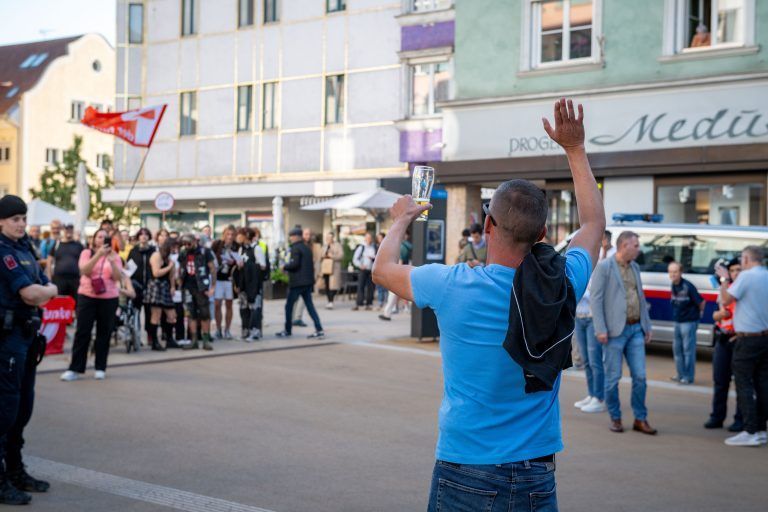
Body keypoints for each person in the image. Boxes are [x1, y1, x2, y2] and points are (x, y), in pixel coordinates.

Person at [373, 99, 604, 512]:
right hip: (535, 472)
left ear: (487, 226)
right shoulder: (562, 282)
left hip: (465, 467)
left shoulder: (450, 284)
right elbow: (592, 225)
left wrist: (402, 217)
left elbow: (383, 269)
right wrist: (575, 149)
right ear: (543, 233)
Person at [0, 195, 58, 505]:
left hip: (27, 336)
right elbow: (31, 292)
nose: (21, 223)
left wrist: (44, 291)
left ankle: (15, 471)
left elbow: (43, 284)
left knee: (22, 409)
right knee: (5, 410)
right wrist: (48, 292)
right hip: (7, 340)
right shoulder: (3, 252)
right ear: (1, 222)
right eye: (15, 219)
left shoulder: (26, 248)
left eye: (23, 218)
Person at [591, 231, 657, 435]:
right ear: (623, 246)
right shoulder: (605, 267)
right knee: (613, 378)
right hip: (613, 332)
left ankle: (640, 418)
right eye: (635, 245)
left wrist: (647, 326)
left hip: (636, 328)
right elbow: (596, 299)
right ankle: (616, 417)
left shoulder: (635, 267)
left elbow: (640, 297)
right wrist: (600, 328)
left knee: (640, 377)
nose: (639, 249)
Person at [716, 246, 768, 447]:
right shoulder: (765, 275)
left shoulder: (746, 277)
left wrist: (723, 280)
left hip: (747, 338)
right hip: (764, 336)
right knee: (763, 383)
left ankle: (750, 430)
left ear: (746, 259)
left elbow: (726, 299)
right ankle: (762, 429)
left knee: (744, 383)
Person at [60, 229, 123, 381]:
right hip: (87, 296)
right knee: (83, 332)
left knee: (104, 332)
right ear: (94, 239)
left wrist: (111, 260)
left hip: (109, 297)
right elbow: (84, 270)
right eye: (99, 237)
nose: (102, 239)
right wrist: (99, 255)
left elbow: (117, 277)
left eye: (105, 237)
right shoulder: (86, 253)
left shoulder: (115, 256)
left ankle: (100, 367)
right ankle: (75, 368)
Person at [705, 257, 743, 431]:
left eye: (738, 270)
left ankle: (740, 419)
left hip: (739, 339)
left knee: (742, 383)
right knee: (720, 381)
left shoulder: (744, 290)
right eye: (732, 270)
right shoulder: (725, 289)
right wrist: (718, 316)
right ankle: (717, 416)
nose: (735, 273)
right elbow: (717, 314)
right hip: (722, 338)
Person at [277, 228, 324, 339]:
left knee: (288, 306)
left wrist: (284, 267)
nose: (291, 238)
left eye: (292, 236)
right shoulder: (307, 248)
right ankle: (319, 329)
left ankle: (287, 330)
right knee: (310, 306)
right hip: (307, 282)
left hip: (297, 283)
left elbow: (295, 264)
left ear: (297, 237)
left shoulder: (296, 248)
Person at [572, 279, 606, 413]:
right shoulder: (580, 270)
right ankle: (592, 394)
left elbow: (595, 296)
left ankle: (599, 398)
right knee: (586, 360)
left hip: (593, 319)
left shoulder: (596, 271)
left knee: (594, 361)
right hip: (579, 318)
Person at [668, 261, 705, 384]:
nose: (673, 274)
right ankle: (680, 374)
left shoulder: (688, 286)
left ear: (681, 272)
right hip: (678, 322)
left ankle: (688, 377)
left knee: (688, 351)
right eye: (671, 272)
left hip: (688, 322)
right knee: (677, 350)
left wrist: (697, 317)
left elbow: (701, 302)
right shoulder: (673, 284)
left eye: (675, 272)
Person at [179, 234, 216, 350]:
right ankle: (194, 340)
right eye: (184, 244)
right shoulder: (183, 253)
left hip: (201, 287)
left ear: (195, 242)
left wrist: (212, 287)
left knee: (205, 314)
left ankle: (205, 340)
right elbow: (180, 268)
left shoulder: (205, 252)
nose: (186, 246)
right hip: (187, 287)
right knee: (191, 314)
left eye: (188, 243)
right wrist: (179, 284)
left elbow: (213, 269)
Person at [233, 228, 267, 341]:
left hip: (253, 284)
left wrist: (248, 266)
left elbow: (263, 266)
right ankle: (245, 330)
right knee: (243, 308)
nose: (238, 237)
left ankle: (255, 331)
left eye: (240, 235)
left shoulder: (257, 248)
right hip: (243, 283)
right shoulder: (241, 249)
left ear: (246, 236)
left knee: (254, 308)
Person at [146, 240, 179, 351]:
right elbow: (156, 273)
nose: (175, 250)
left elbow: (172, 275)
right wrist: (169, 267)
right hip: (156, 285)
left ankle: (169, 339)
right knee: (156, 315)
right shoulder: (156, 255)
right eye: (173, 248)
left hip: (165, 286)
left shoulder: (169, 258)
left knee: (172, 315)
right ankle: (155, 342)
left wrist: (173, 286)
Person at [127, 228, 156, 344]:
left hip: (150, 285)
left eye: (146, 235)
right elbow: (129, 268)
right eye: (141, 235)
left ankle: (150, 335)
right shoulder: (133, 251)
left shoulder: (153, 251)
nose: (143, 237)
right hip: (136, 285)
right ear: (138, 237)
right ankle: (137, 335)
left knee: (149, 312)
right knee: (136, 311)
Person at [379, 231, 413, 321]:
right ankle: (403, 308)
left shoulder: (401, 246)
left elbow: (400, 259)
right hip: (408, 270)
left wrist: (396, 271)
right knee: (406, 291)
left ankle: (388, 312)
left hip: (399, 270)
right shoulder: (410, 246)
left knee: (393, 292)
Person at [46, 224, 83, 303]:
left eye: (70, 230)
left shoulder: (79, 245)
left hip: (75, 279)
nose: (68, 232)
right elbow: (49, 259)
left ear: (73, 231)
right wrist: (49, 275)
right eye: (66, 229)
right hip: (59, 279)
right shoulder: (57, 244)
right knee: (59, 301)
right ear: (63, 231)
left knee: (75, 302)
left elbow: (84, 260)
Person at [213, 226, 238, 339]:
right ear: (224, 234)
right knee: (217, 304)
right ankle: (218, 329)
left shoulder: (236, 246)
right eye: (228, 234)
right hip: (218, 278)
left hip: (230, 279)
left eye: (232, 234)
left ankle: (227, 330)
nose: (230, 237)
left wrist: (235, 262)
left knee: (229, 304)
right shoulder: (217, 244)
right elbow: (210, 258)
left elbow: (240, 261)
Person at [318, 231, 343, 309]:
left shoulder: (337, 245)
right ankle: (329, 301)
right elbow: (320, 256)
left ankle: (331, 301)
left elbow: (341, 255)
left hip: (334, 268)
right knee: (327, 285)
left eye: (330, 237)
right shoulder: (324, 246)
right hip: (325, 268)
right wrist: (324, 255)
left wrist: (332, 256)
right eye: (327, 237)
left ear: (333, 238)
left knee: (333, 286)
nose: (328, 239)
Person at [352, 232, 376, 311]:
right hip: (363, 269)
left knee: (371, 287)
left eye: (370, 238)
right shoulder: (361, 247)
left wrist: (373, 258)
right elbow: (355, 259)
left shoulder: (374, 247)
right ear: (365, 239)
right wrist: (360, 265)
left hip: (371, 270)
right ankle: (359, 303)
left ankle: (369, 303)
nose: (369, 239)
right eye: (367, 238)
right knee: (361, 286)